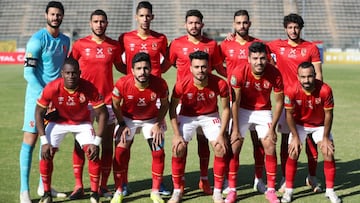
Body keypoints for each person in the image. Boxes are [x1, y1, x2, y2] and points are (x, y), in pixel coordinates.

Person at [166, 9, 227, 195]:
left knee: (205, 142)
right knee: (180, 146)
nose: (193, 26)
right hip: (185, 101)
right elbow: (168, 65)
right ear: (185, 24)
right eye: (190, 22)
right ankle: (180, 184)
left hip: (207, 102)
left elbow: (217, 67)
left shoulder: (211, 44)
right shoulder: (176, 44)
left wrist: (235, 78)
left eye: (197, 22)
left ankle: (204, 180)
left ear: (202, 24)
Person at [35, 57, 109, 203]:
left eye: (74, 73)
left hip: (81, 123)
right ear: (62, 73)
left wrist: (97, 141)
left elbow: (103, 113)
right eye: (67, 73)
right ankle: (46, 193)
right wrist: (44, 141)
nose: (71, 76)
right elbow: (38, 112)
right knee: (46, 153)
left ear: (79, 73)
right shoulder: (52, 87)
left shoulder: (88, 87)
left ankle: (94, 193)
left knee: (92, 151)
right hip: (58, 122)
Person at [69, 9, 124, 199]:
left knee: (107, 144)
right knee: (79, 144)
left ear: (107, 23)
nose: (99, 24)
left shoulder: (114, 46)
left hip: (107, 102)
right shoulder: (79, 45)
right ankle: (79, 185)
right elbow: (70, 68)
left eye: (102, 21)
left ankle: (102, 186)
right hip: (83, 102)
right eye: (96, 21)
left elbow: (121, 67)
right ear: (90, 23)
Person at [118, 1, 171, 195]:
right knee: (126, 143)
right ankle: (122, 183)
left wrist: (155, 76)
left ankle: (159, 184)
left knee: (157, 142)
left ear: (152, 17)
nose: (145, 19)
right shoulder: (125, 38)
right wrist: (130, 77)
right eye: (141, 15)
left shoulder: (161, 38)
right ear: (136, 17)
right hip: (132, 93)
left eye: (148, 16)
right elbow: (118, 62)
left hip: (154, 95)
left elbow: (168, 61)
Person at [267, 13, 323, 193]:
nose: (293, 30)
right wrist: (232, 36)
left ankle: (312, 176)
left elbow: (319, 75)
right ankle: (285, 177)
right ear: (285, 29)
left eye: (296, 27)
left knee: (311, 140)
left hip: (307, 99)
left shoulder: (311, 47)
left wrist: (318, 98)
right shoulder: (276, 45)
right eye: (290, 27)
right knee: (287, 139)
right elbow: (254, 46)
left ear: (301, 28)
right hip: (286, 100)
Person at [20, 1, 70, 203]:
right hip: (37, 100)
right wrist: (45, 96)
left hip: (56, 102)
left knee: (51, 143)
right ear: (46, 15)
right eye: (52, 14)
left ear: (62, 17)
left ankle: (44, 185)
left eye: (58, 15)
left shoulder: (66, 40)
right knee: (30, 142)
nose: (55, 17)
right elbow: (28, 73)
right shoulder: (37, 40)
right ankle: (24, 191)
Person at [219, 9, 272, 195]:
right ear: (234, 24)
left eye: (245, 22)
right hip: (236, 101)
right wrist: (229, 79)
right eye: (238, 23)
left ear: (249, 23)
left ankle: (259, 179)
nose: (242, 26)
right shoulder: (226, 44)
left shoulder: (259, 45)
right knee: (232, 141)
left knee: (259, 143)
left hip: (258, 101)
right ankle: (227, 179)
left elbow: (270, 65)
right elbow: (217, 63)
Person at [110, 52, 169, 203]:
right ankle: (119, 190)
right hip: (128, 119)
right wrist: (122, 124)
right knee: (120, 152)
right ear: (132, 70)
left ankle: (155, 191)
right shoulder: (122, 83)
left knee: (159, 152)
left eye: (146, 68)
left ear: (151, 69)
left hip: (151, 119)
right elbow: (115, 104)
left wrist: (158, 123)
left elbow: (164, 104)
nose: (142, 72)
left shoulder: (160, 84)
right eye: (139, 68)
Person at [229, 42, 283, 203]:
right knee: (235, 145)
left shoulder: (275, 73)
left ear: (267, 58)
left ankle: (270, 189)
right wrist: (236, 129)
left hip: (263, 111)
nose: (259, 62)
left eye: (262, 58)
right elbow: (235, 103)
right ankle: (232, 189)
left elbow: (279, 102)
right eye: (255, 58)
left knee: (270, 145)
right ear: (249, 59)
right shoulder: (239, 72)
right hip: (243, 110)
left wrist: (272, 128)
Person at [281, 62, 341, 203]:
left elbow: (329, 115)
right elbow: (289, 115)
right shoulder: (291, 90)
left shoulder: (325, 90)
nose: (306, 80)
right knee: (293, 151)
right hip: (299, 125)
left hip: (319, 125)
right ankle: (289, 191)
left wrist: (325, 137)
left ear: (315, 75)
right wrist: (295, 137)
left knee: (328, 151)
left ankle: (330, 191)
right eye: (303, 77)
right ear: (298, 77)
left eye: (309, 76)